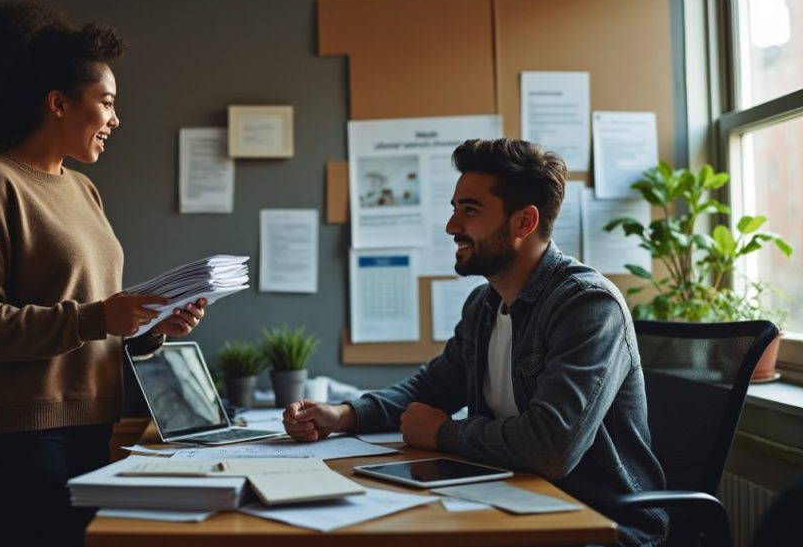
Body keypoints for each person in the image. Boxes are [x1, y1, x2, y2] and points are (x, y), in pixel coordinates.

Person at [283, 138, 667, 547]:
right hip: (513, 503)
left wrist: (443, 433)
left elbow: (552, 447)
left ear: (524, 222)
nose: (452, 226)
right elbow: (429, 389)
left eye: (469, 210)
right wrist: (343, 414)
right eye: (454, 209)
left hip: (598, 525)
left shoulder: (587, 306)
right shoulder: (484, 305)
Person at [0, 2, 207, 547]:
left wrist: (150, 324)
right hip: (23, 440)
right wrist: (97, 317)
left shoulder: (84, 190)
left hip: (91, 425)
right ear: (58, 103)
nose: (115, 119)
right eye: (106, 103)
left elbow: (95, 318)